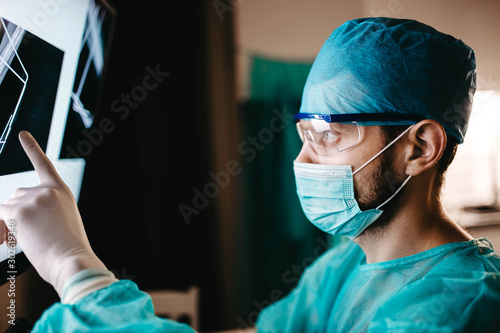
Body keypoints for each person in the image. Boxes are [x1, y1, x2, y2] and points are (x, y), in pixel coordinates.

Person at [0, 17, 499, 332]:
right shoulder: (341, 269)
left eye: (328, 135)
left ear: (420, 147)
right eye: (304, 135)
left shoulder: (454, 313)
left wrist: (75, 269)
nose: (302, 163)